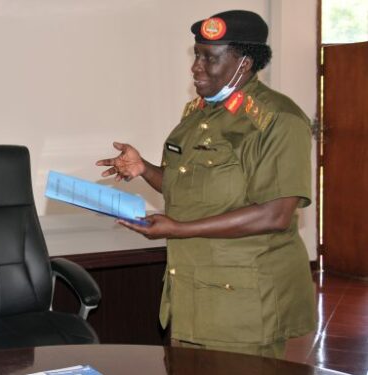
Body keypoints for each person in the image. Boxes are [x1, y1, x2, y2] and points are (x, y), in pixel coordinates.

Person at [96, 10, 315, 358]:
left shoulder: (278, 121)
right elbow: (190, 187)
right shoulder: (199, 114)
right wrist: (143, 168)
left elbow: (275, 215)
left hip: (244, 304)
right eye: (196, 55)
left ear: (244, 63)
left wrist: (179, 229)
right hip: (191, 291)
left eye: (209, 58)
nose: (196, 67)